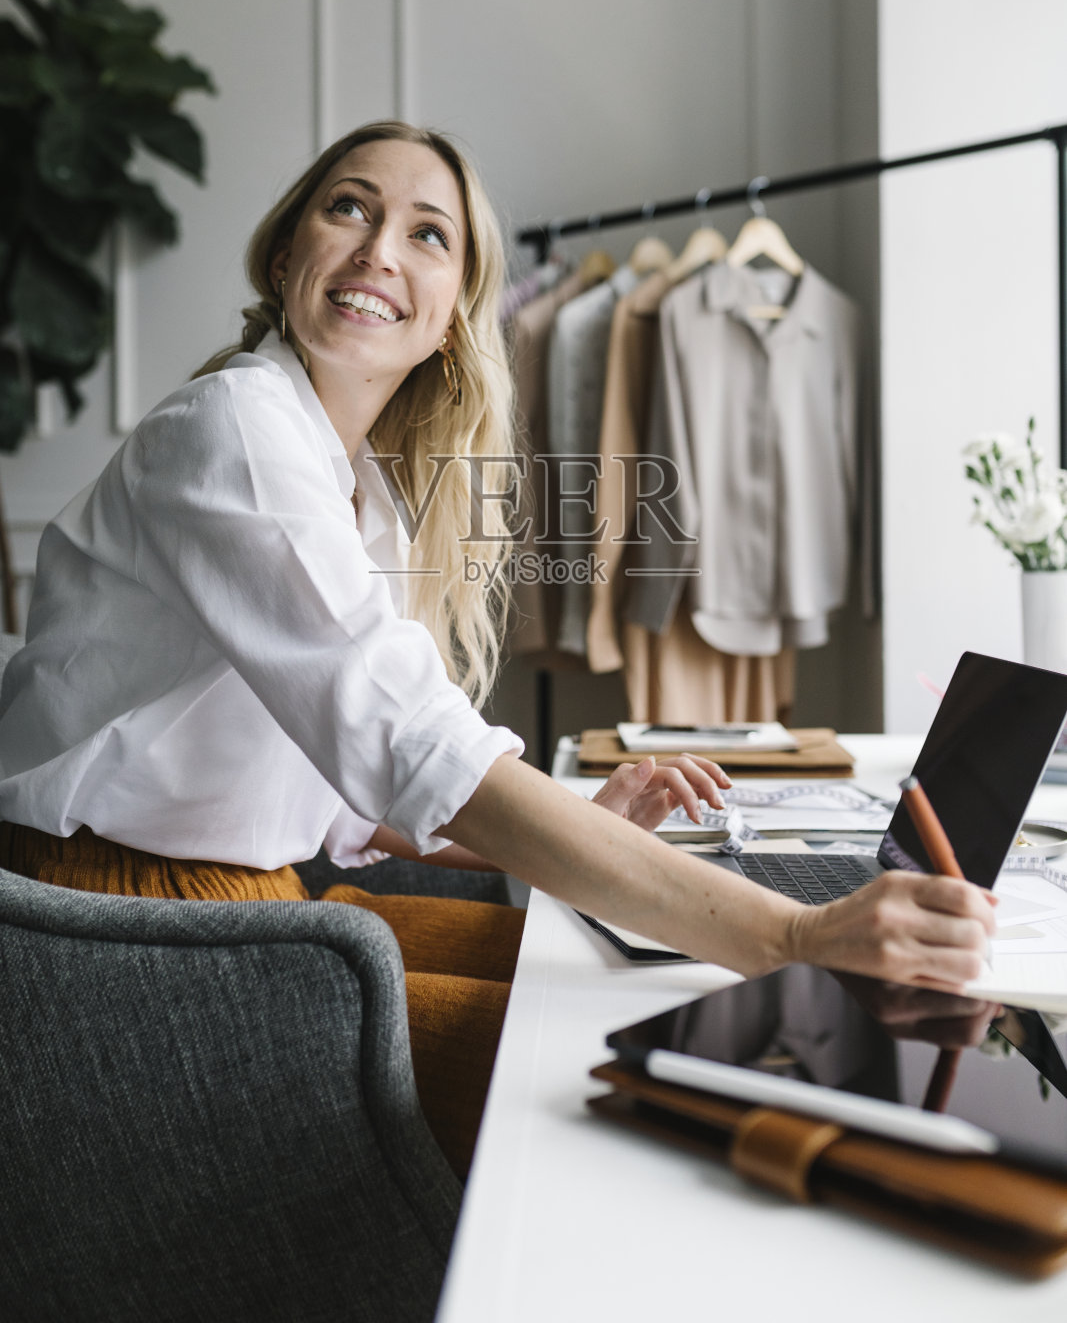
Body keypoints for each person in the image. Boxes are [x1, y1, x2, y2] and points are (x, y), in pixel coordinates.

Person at [0, 121, 995, 1178]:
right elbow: (411, 744)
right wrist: (797, 934)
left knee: (656, 990)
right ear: (285, 255)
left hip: (243, 902)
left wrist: (578, 825)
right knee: (615, 1072)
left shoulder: (361, 490)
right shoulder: (234, 428)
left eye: (427, 234)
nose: (381, 248)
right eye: (350, 206)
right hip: (112, 929)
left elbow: (348, 800)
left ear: (449, 318)